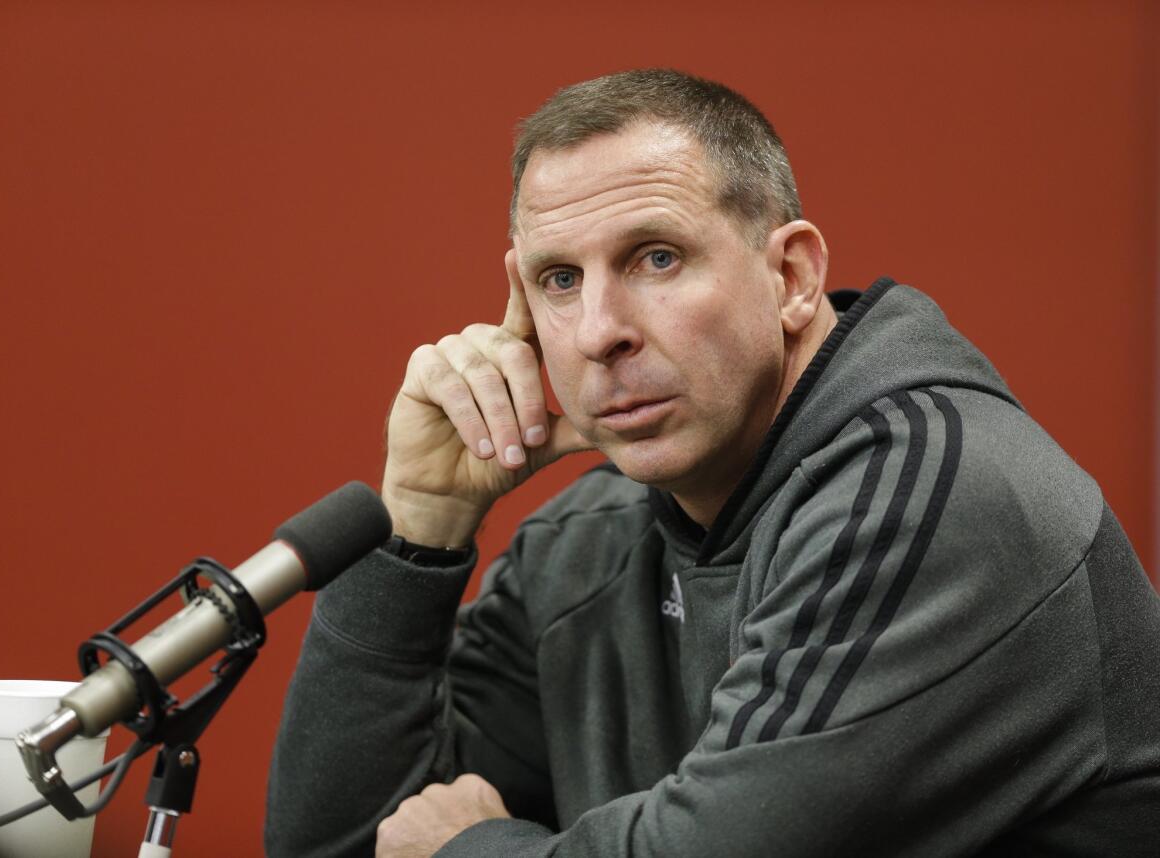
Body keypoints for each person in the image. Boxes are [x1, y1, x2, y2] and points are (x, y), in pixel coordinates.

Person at [264, 69, 1160, 857]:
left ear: (795, 277)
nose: (598, 331)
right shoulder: (588, 539)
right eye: (560, 281)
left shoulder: (936, 496)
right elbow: (340, 845)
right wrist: (420, 529)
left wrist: (466, 852)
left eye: (656, 257)